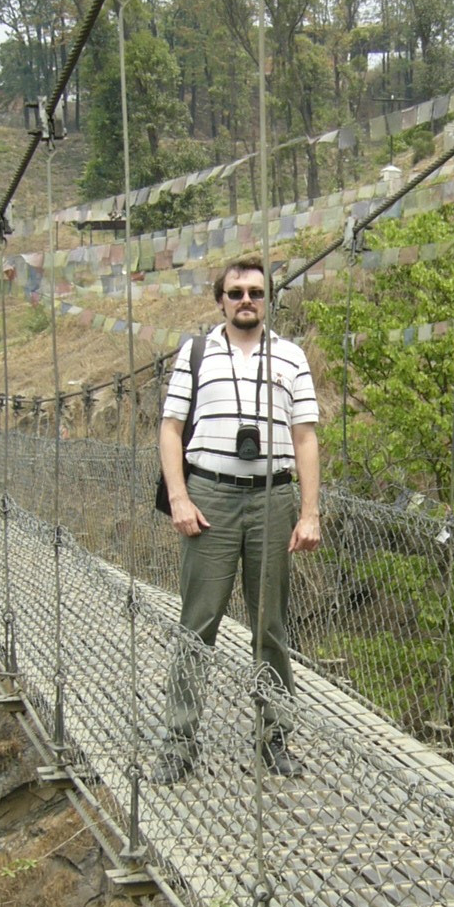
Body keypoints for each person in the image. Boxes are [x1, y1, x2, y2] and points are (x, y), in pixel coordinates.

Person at [158, 253, 320, 782]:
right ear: (221, 300)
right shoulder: (196, 352)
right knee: (196, 624)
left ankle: (275, 740)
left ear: (267, 298)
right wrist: (179, 498)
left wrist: (310, 511)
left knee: (269, 626)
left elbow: (305, 438)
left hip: (274, 499)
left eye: (255, 291)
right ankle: (179, 744)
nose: (246, 300)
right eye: (236, 292)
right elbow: (170, 429)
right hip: (211, 496)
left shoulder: (292, 356)